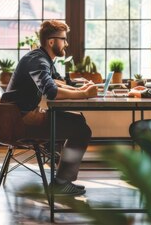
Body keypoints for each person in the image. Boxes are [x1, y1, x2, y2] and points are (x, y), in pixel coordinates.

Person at [6, 20, 97, 196]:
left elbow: (57, 81)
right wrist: (84, 94)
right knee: (81, 129)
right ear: (51, 41)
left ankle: (59, 169)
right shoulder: (38, 60)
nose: (67, 43)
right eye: (64, 39)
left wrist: (81, 89)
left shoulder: (41, 58)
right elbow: (52, 92)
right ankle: (61, 182)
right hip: (20, 121)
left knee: (77, 122)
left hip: (22, 115)